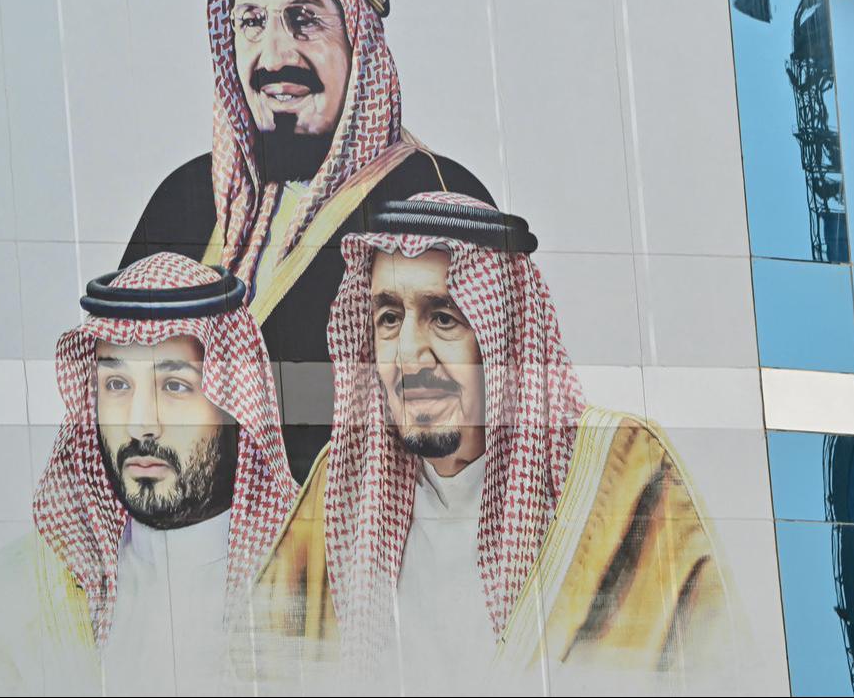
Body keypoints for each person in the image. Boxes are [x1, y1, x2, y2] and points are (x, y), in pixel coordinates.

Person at [250, 194, 743, 693]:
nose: (408, 355)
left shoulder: (618, 471)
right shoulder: (342, 486)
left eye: (443, 317)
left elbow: (715, 670)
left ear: (502, 338)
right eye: (389, 319)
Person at [120, 0, 493, 481]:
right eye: (251, 22)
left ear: (359, 46)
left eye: (304, 21)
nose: (273, 57)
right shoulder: (184, 199)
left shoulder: (434, 197)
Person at [0, 253, 297, 696]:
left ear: (234, 405)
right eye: (116, 385)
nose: (140, 424)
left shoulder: (320, 583)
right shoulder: (10, 602)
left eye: (174, 386)